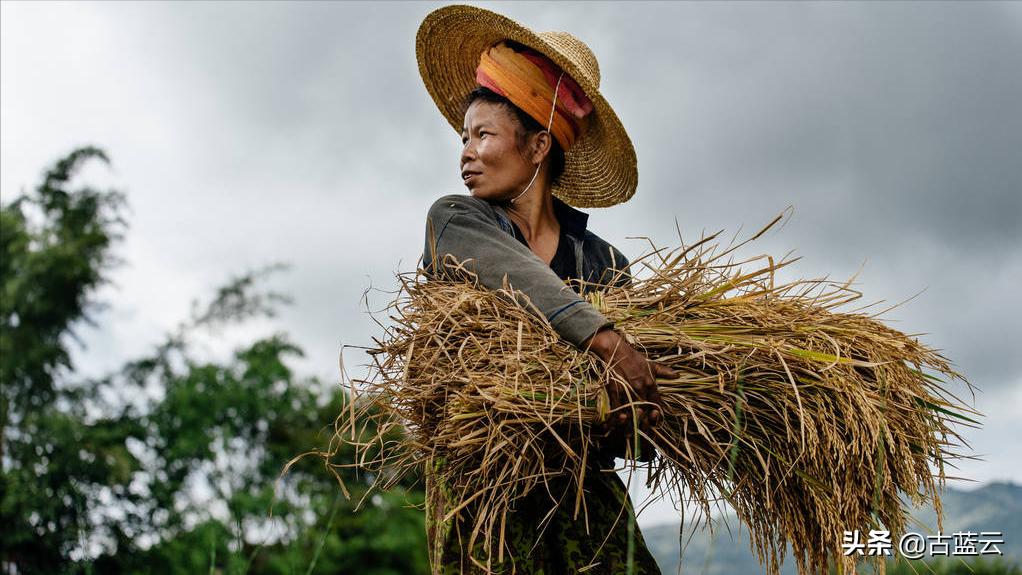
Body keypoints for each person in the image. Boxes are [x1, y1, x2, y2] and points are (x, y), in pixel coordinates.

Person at [416, 6, 675, 574]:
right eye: (464, 137)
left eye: (483, 134)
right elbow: (520, 278)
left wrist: (631, 417)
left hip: (584, 494)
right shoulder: (456, 222)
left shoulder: (603, 263)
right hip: (486, 498)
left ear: (537, 147)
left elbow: (636, 406)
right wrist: (606, 342)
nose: (465, 152)